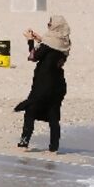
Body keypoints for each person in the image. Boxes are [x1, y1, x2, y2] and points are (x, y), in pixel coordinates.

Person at [15, 15, 70, 152]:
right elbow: (52, 46)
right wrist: (40, 38)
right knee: (53, 115)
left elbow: (33, 57)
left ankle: (24, 142)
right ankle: (54, 147)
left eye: (50, 24)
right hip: (58, 84)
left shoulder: (47, 45)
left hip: (43, 82)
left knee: (30, 110)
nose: (48, 26)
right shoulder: (65, 43)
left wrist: (29, 41)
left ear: (55, 26)